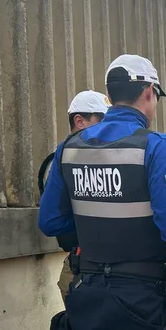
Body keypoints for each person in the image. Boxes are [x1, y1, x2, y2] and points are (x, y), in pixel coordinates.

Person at [38, 54, 166, 330]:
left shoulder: (69, 148)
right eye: (156, 97)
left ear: (110, 96)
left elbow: (50, 222)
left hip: (85, 294)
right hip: (138, 302)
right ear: (148, 92)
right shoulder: (157, 147)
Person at [53, 90, 109, 305]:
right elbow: (51, 222)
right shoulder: (62, 159)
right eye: (102, 120)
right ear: (80, 121)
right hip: (81, 266)